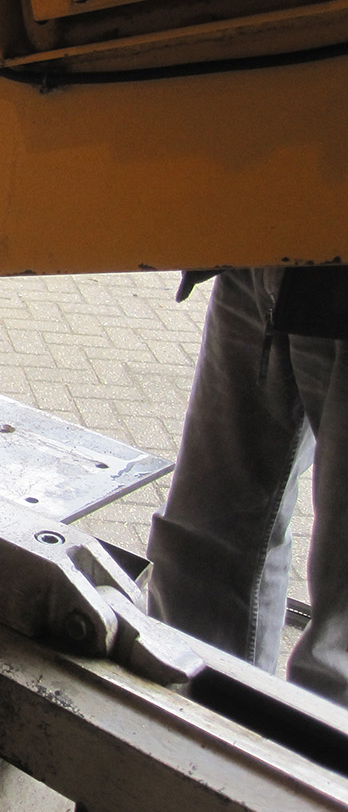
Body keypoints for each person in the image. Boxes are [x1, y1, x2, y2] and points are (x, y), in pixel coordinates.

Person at [148, 266, 348, 704]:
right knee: (202, 552)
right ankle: (191, 739)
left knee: (340, 648)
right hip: (263, 252)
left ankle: (316, 770)